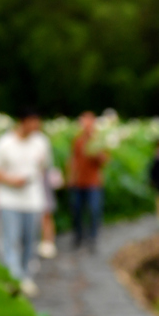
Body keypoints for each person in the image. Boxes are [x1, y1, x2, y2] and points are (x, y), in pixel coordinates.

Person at [0, 107, 52, 297]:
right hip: (8, 201)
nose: (36, 126)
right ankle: (14, 280)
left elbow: (44, 167)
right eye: (33, 122)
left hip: (34, 201)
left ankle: (26, 277)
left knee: (30, 242)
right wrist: (11, 180)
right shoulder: (4, 143)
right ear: (23, 122)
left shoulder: (41, 142)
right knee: (10, 241)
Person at [67, 111, 108, 252]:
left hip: (93, 183)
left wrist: (97, 153)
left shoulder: (99, 141)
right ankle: (78, 235)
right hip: (78, 182)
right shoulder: (78, 140)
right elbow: (73, 159)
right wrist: (70, 177)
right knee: (76, 210)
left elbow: (104, 161)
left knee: (94, 210)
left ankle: (93, 237)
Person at [38, 166, 63, 259]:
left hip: (45, 198)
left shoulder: (48, 170)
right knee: (45, 221)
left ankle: (48, 245)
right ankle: (46, 245)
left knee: (47, 220)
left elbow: (58, 183)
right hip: (39, 199)